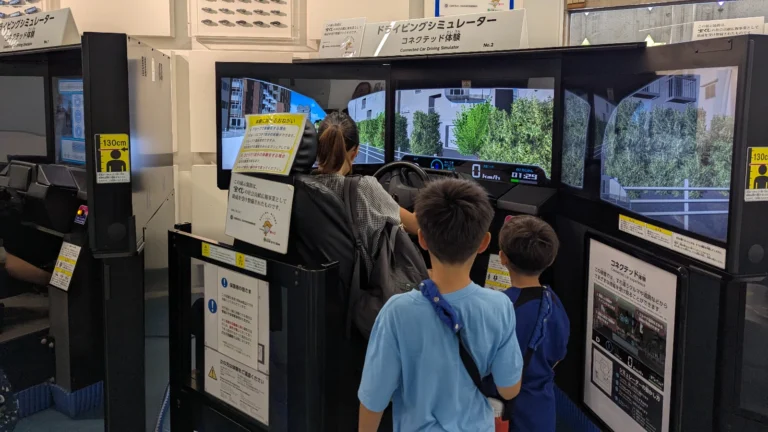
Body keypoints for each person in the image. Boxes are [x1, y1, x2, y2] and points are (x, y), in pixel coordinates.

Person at [358, 178, 523, 432]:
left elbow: (373, 399)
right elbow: (509, 389)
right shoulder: (500, 307)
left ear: (422, 239)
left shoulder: (396, 312)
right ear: (483, 242)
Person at [314, 111, 419, 274]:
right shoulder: (365, 188)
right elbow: (416, 225)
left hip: (318, 285)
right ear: (355, 152)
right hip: (362, 290)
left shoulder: (301, 186)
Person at [492, 215, 569, 432]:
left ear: (502, 257)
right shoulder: (554, 303)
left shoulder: (499, 308)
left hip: (505, 413)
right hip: (541, 409)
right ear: (550, 259)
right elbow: (558, 354)